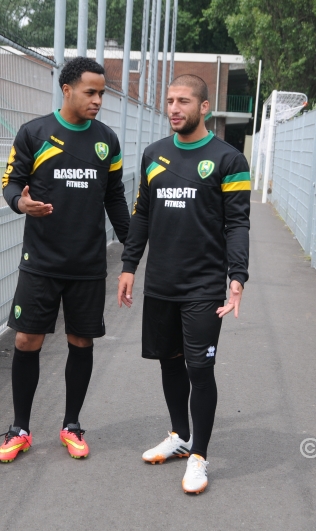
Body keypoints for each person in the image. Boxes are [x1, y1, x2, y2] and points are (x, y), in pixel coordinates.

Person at [117, 74, 250, 494]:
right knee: (169, 362)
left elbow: (237, 224)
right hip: (161, 283)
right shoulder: (154, 155)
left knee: (199, 367)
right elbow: (141, 215)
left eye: (183, 101)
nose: (174, 108)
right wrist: (129, 265)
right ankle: (180, 437)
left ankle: (199, 458)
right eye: (170, 101)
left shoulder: (229, 160)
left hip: (203, 286)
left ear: (204, 107)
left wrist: (237, 276)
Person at [0, 57, 129, 463]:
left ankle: (72, 425)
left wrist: (135, 250)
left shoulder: (106, 140)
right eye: (91, 92)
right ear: (67, 89)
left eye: (102, 93)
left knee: (81, 340)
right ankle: (20, 429)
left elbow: (115, 198)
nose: (98, 100)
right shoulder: (34, 133)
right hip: (41, 261)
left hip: (88, 265)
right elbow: (10, 182)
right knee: (26, 339)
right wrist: (21, 202)